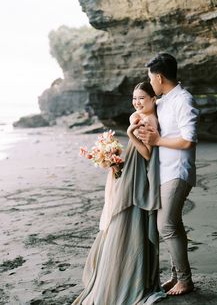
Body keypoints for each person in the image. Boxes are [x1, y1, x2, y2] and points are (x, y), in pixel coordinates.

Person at [71, 82, 166, 305]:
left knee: (126, 219)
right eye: (134, 98)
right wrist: (113, 159)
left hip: (140, 176)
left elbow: (147, 153)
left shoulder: (149, 120)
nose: (137, 102)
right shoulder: (141, 116)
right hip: (131, 173)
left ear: (153, 99)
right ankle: (123, 276)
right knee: (123, 219)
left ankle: (125, 279)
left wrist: (131, 134)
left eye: (142, 97)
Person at [138, 53, 199, 296]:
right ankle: (177, 277)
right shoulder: (163, 102)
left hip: (178, 172)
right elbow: (143, 109)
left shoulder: (184, 101)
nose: (150, 83)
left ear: (160, 77)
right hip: (163, 173)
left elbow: (188, 140)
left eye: (151, 79)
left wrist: (158, 140)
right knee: (174, 225)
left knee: (166, 225)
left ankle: (185, 280)